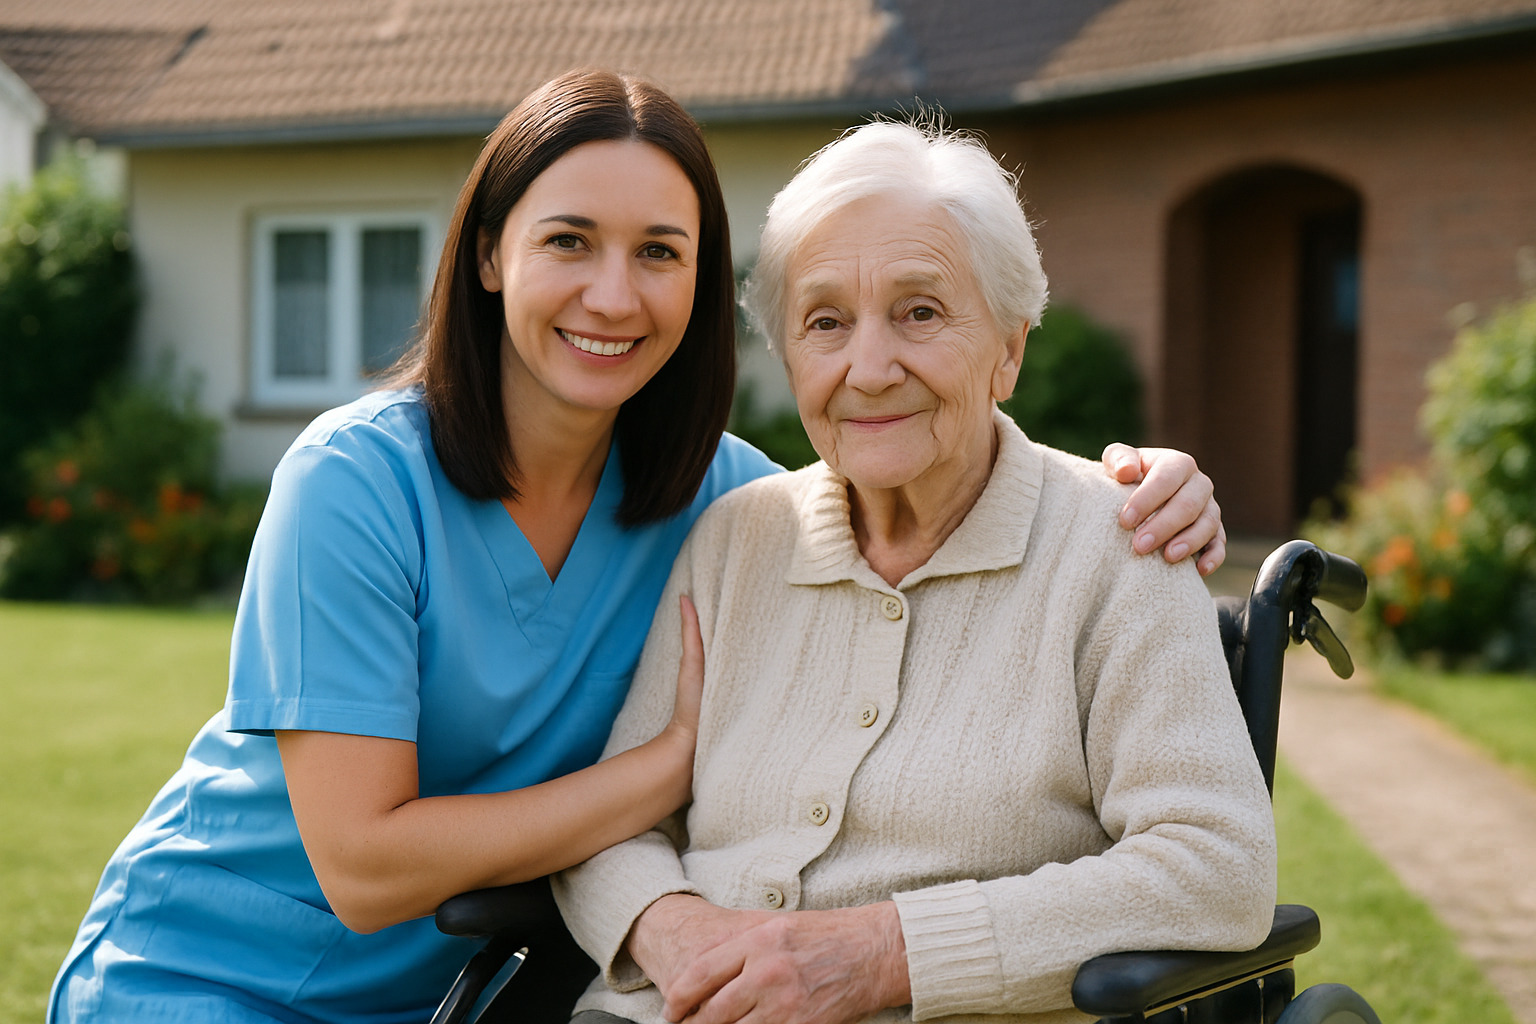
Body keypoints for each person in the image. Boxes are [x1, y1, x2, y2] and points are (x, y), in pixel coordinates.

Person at [49, 72, 1227, 1024]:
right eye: (570, 240)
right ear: (490, 254)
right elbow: (361, 867)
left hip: (463, 990)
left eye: (660, 251)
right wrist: (656, 791)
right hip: (213, 974)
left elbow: (908, 454)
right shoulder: (356, 482)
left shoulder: (733, 507)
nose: (613, 295)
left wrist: (1134, 485)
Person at [553, 118, 1276, 1024]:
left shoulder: (1121, 544)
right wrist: (678, 936)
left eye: (920, 313)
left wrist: (879, 955)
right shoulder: (735, 538)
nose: (868, 368)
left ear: (1009, 348)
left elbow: (1217, 867)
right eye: (825, 322)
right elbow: (609, 825)